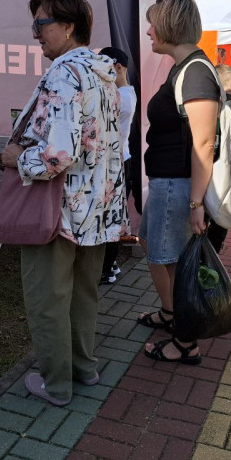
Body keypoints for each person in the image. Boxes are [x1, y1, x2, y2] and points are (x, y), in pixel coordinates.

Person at [0, 0, 127, 406]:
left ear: (68, 27)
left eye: (41, 24)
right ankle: (83, 368)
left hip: (58, 210)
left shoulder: (63, 74)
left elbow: (58, 154)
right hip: (95, 208)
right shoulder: (104, 74)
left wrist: (16, 158)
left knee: (48, 299)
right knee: (84, 294)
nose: (35, 33)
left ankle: (56, 384)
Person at [137, 0, 220, 365]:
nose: (149, 31)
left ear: (170, 25)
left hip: (178, 184)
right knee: (153, 248)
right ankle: (171, 314)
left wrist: (196, 203)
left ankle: (185, 342)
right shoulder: (185, 67)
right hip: (169, 182)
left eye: (153, 24)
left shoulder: (195, 72)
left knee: (173, 262)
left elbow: (203, 144)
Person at [99, 46, 137, 284]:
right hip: (119, 161)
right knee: (111, 216)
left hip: (117, 163)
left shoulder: (121, 97)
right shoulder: (125, 93)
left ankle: (105, 269)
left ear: (118, 68)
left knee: (110, 218)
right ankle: (110, 265)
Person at [205, 63, 231, 254]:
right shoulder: (206, 111)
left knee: (220, 224)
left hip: (225, 180)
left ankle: (211, 257)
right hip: (205, 177)